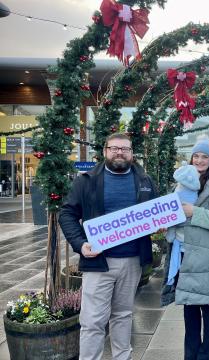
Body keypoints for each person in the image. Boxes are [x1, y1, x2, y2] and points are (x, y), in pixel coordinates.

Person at [59, 133, 158, 360]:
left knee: (123, 315)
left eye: (125, 149)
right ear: (105, 151)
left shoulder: (145, 181)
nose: (119, 152)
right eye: (114, 148)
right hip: (98, 262)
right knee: (93, 321)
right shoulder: (86, 181)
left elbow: (156, 211)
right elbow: (67, 214)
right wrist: (80, 244)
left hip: (132, 261)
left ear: (132, 153)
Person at [161, 135, 209, 360]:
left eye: (204, 157)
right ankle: (190, 355)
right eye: (196, 156)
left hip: (207, 256)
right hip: (183, 252)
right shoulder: (181, 184)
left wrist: (194, 212)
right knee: (189, 306)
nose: (200, 160)